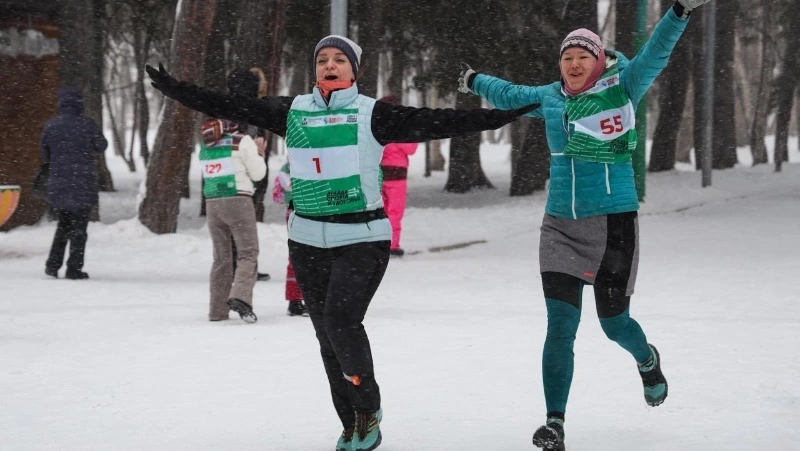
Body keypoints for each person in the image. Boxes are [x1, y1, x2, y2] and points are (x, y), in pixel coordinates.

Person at [147, 34, 535, 451]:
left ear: (355, 70)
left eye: (339, 60)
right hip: (308, 241)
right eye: (322, 61)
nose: (329, 66)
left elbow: (439, 120)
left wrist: (499, 117)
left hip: (363, 239)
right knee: (325, 338)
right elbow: (226, 105)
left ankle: (368, 408)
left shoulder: (373, 115)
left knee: (340, 322)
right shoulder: (292, 111)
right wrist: (174, 88)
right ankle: (350, 423)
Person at [457, 1, 710, 449]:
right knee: (560, 326)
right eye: (567, 57)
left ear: (598, 61)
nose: (574, 64)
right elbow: (510, 94)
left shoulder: (624, 86)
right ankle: (555, 422)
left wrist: (678, 12)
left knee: (614, 325)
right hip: (559, 226)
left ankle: (647, 359)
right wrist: (475, 79)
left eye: (583, 56)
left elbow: (656, 52)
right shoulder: (551, 96)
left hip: (613, 222)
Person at [200, 117, 267, 323]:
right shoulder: (241, 140)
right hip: (238, 201)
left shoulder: (207, 144)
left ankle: (217, 310)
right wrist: (259, 153)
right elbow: (258, 174)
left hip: (213, 204)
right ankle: (241, 297)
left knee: (221, 258)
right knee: (248, 252)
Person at [40, 86, 108, 280]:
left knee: (63, 226)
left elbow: (44, 154)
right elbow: (101, 146)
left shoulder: (51, 125)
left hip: (59, 183)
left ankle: (52, 265)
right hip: (82, 183)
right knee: (79, 229)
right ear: (80, 103)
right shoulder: (87, 124)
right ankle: (74, 269)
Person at [226, 68, 271, 283]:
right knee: (242, 225)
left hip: (237, 173)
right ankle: (242, 267)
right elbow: (249, 140)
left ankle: (242, 266)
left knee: (241, 224)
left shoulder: (231, 108)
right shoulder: (243, 110)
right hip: (242, 173)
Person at [377, 96, 418, 258]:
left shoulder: (377, 127)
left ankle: (379, 243)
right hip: (397, 176)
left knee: (381, 211)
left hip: (380, 174)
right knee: (395, 211)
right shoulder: (399, 130)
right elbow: (411, 149)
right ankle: (392, 245)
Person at [272, 161, 308, 317]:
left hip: (294, 211)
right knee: (313, 256)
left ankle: (295, 300)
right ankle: (311, 299)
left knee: (297, 256)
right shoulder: (316, 160)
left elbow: (284, 189)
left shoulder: (288, 166)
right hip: (308, 212)